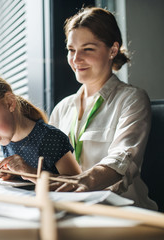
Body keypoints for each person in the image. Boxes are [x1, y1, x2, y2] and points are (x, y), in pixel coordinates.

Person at [44, 7, 157, 210]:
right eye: (71, 50)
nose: (76, 59)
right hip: (74, 208)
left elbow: (123, 158)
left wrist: (86, 180)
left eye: (87, 49)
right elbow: (46, 160)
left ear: (113, 50)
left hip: (122, 212)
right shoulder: (62, 108)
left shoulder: (131, 99)